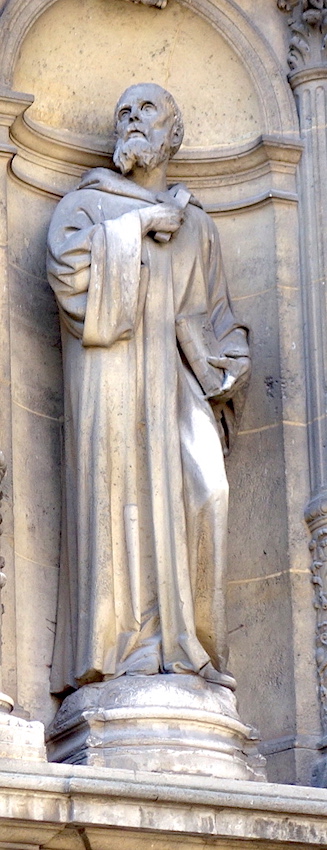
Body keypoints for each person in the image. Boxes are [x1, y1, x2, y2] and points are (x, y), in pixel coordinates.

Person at [47, 83, 250, 696]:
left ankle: (189, 649)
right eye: (124, 113)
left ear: (174, 135)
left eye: (148, 111)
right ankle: (126, 650)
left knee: (207, 493)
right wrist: (137, 225)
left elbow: (221, 318)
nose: (133, 121)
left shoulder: (200, 227)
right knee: (123, 501)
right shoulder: (89, 204)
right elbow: (66, 271)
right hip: (113, 382)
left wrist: (229, 360)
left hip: (178, 386)